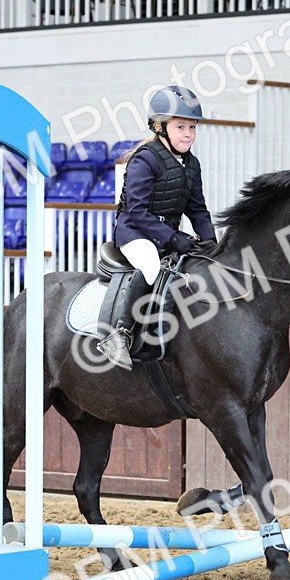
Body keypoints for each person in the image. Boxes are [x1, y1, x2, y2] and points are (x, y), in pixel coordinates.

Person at [97, 85, 217, 370]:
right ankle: (118, 334)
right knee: (151, 265)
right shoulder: (145, 159)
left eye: (192, 127)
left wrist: (211, 242)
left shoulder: (191, 164)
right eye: (180, 127)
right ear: (159, 126)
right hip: (134, 233)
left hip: (166, 236)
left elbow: (197, 208)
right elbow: (136, 211)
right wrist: (174, 239)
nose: (188, 134)